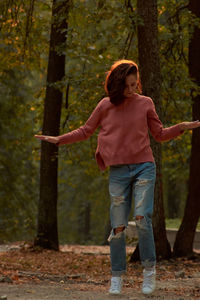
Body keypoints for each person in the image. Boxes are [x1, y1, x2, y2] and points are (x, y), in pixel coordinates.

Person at [35, 59, 200, 295]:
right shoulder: (105, 106)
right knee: (118, 227)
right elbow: (85, 131)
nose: (133, 90)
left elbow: (160, 134)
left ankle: (149, 271)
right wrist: (59, 139)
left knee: (142, 218)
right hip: (119, 171)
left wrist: (181, 126)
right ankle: (117, 276)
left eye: (135, 85)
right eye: (128, 85)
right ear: (117, 83)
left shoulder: (145, 103)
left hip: (144, 166)